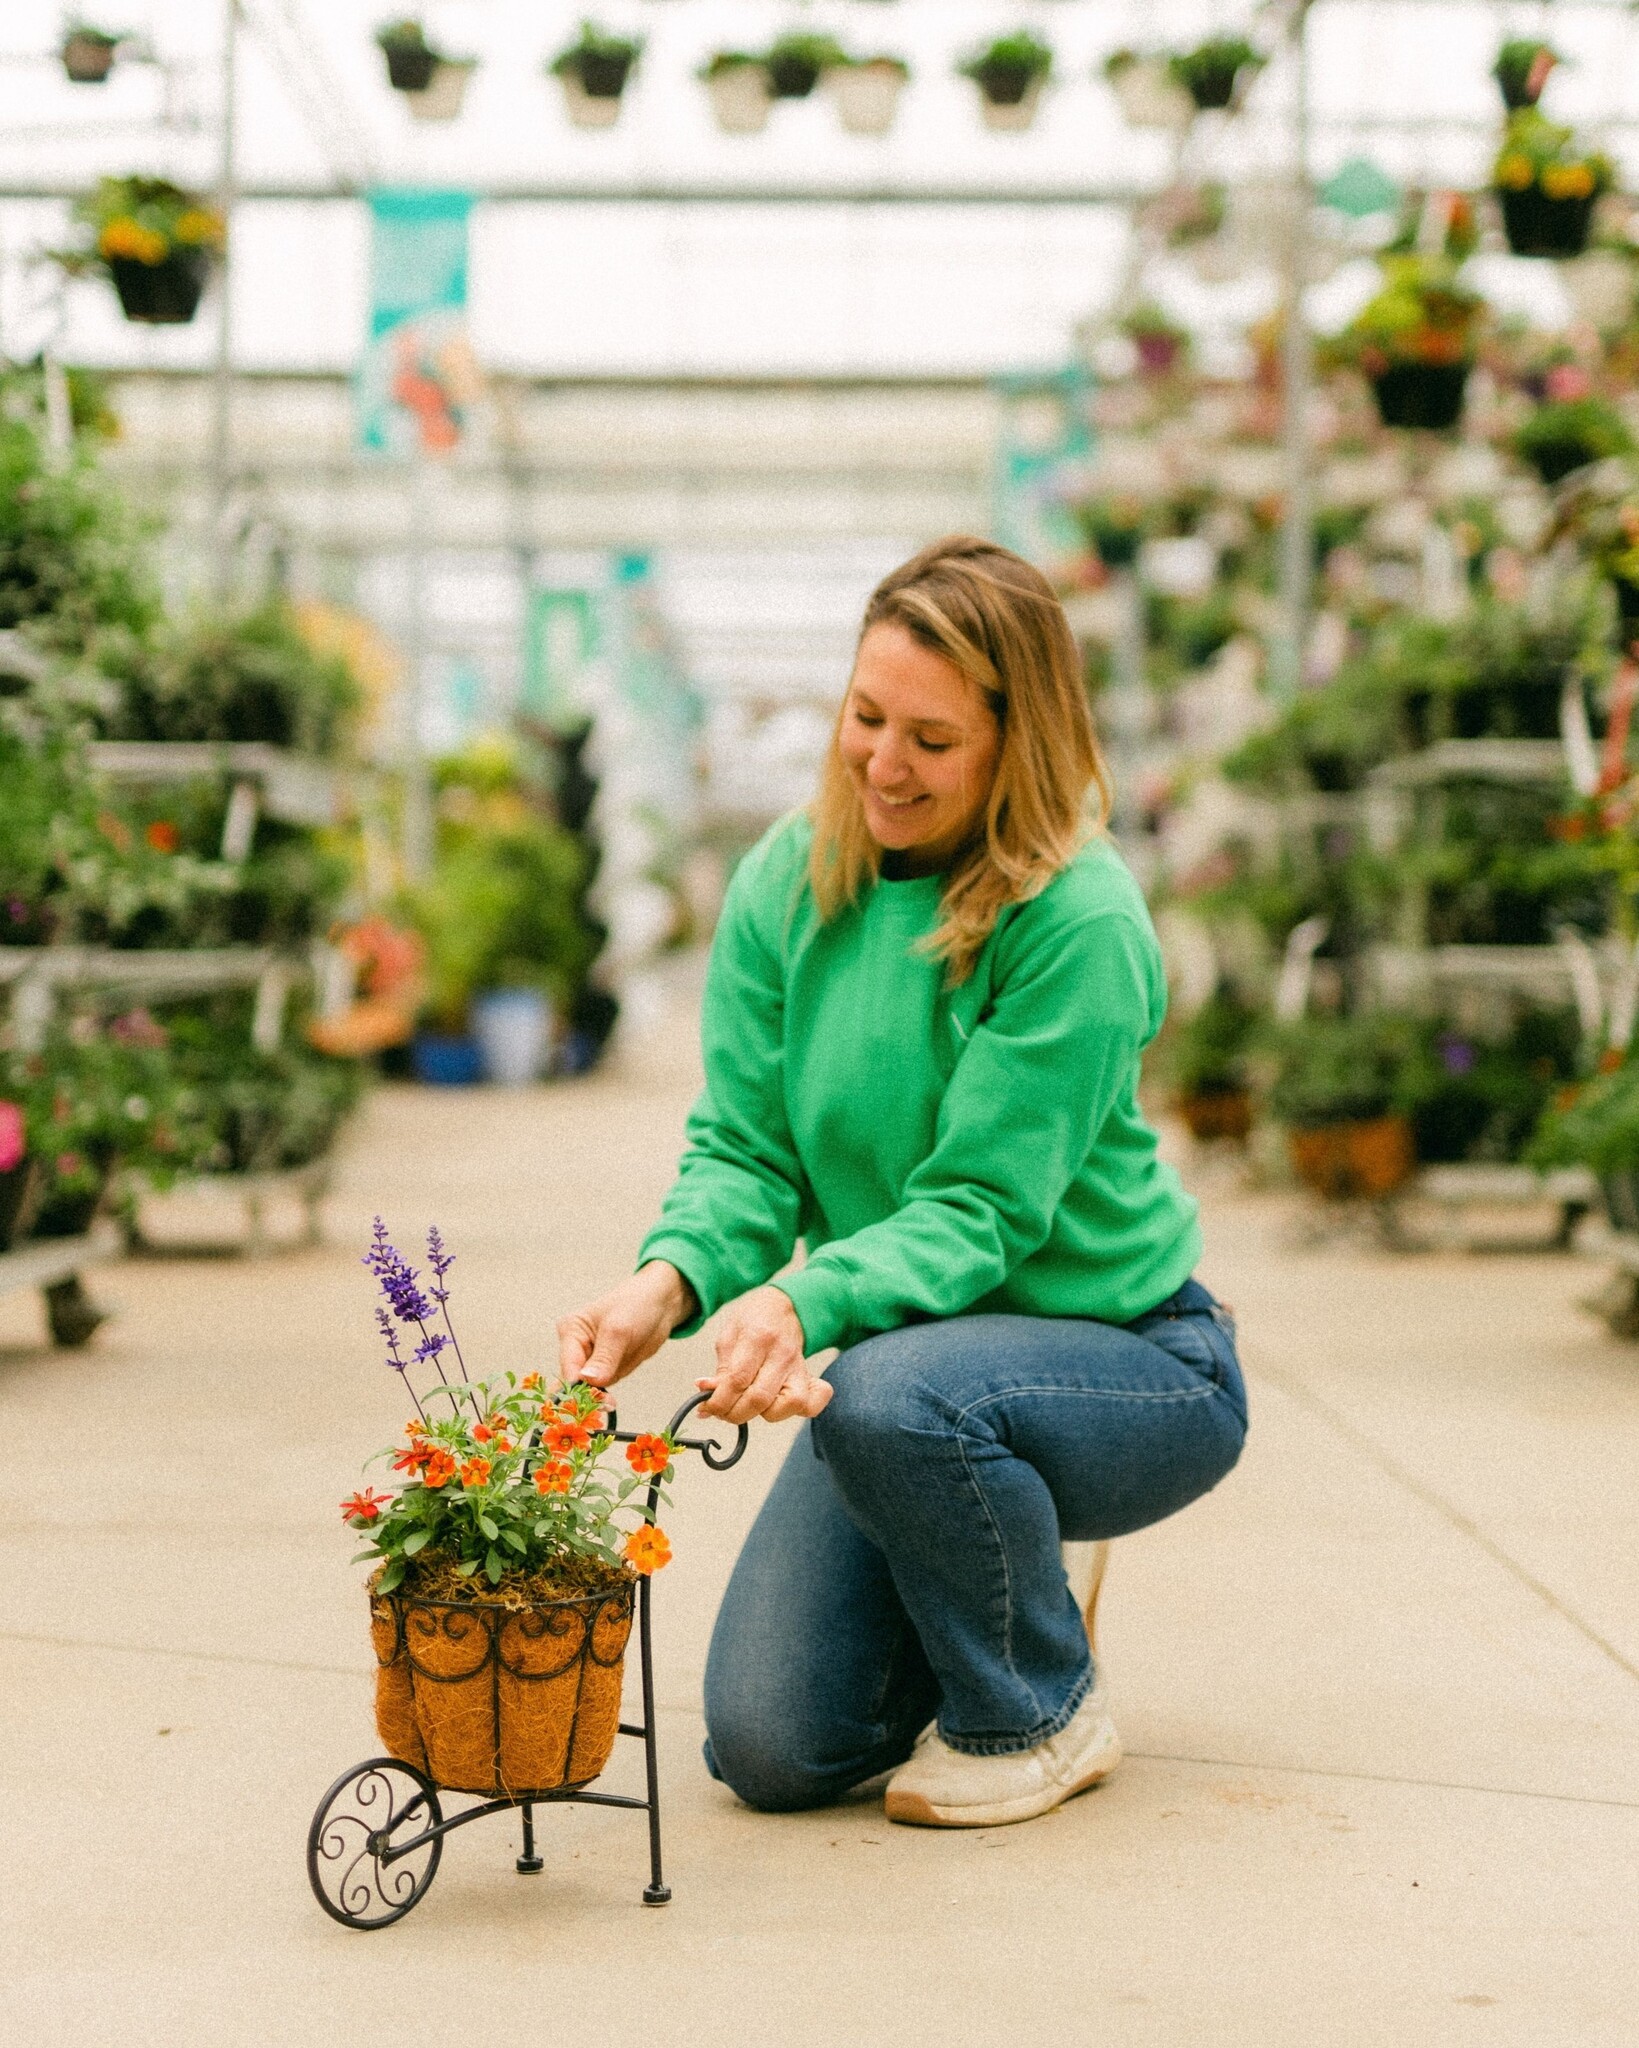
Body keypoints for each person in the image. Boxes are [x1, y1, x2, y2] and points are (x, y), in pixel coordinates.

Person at [558, 536, 1248, 1829]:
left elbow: (981, 1210)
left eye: (931, 740)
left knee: (878, 1394)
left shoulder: (1076, 920)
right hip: (920, 1362)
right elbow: (747, 1151)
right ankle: (994, 1559)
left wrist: (804, 1306)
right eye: (865, 718)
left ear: (1013, 743)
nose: (882, 762)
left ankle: (1036, 1706)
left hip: (1128, 1362)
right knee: (769, 1746)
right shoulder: (787, 881)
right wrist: (670, 1281)